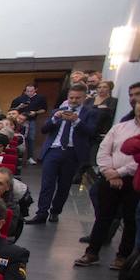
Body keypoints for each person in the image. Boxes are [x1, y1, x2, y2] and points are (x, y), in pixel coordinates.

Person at [76, 81, 139, 269]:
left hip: (133, 180)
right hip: (110, 176)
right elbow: (104, 150)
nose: (134, 99)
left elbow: (137, 159)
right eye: (131, 94)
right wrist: (108, 171)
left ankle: (122, 256)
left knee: (130, 219)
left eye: (138, 94)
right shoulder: (121, 126)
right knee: (103, 216)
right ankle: (92, 252)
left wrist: (119, 172)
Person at [26, 84, 99, 224]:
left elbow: (91, 132)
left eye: (78, 98)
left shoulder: (90, 113)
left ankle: (55, 211)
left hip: (72, 152)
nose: (74, 100)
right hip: (53, 150)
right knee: (47, 183)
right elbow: (44, 129)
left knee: (64, 185)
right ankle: (41, 213)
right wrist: (55, 118)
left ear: (84, 98)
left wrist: (76, 121)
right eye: (71, 97)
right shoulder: (58, 111)